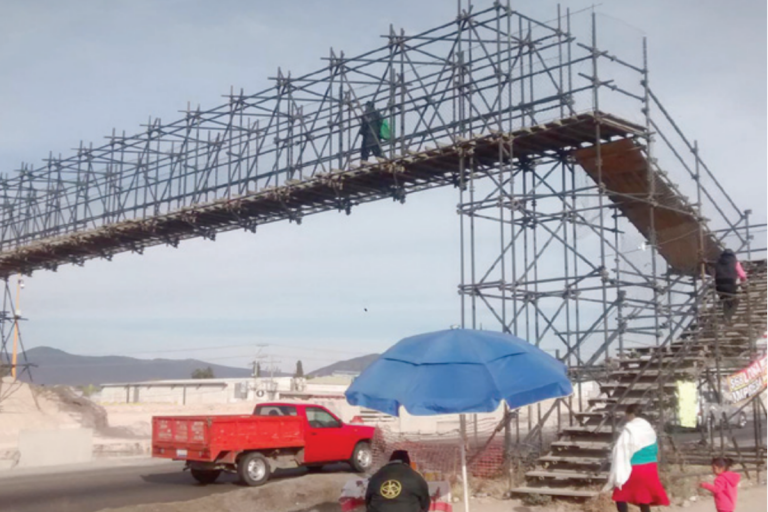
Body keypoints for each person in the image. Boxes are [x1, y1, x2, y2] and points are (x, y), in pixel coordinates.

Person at [605, 404, 669, 512]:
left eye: (627, 415)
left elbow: (621, 449)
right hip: (650, 467)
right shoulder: (649, 429)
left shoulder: (629, 430)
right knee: (644, 497)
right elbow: (655, 450)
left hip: (635, 467)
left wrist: (617, 469)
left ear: (631, 414)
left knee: (620, 494)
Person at [366, 450, 430, 512]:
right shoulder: (415, 476)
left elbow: (368, 500)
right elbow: (425, 503)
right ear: (407, 462)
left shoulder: (376, 476)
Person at [714, 249, 747, 322]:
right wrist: (743, 282)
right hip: (730, 285)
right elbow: (742, 275)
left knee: (725, 300)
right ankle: (727, 317)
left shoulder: (718, 262)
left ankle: (725, 317)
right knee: (735, 301)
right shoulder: (735, 262)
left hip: (719, 286)